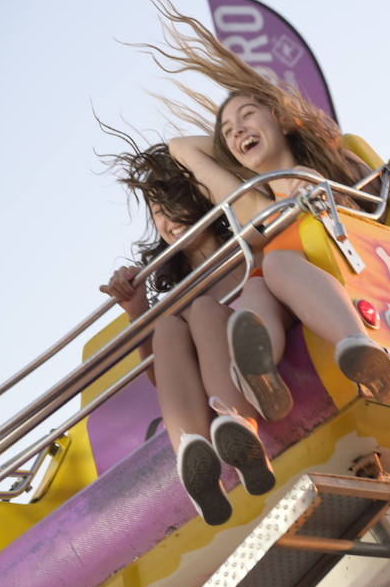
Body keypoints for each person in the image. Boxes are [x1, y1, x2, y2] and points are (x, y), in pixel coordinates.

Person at [137, 0, 390, 416]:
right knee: (264, 278)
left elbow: (374, 204)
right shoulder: (256, 202)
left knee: (275, 267)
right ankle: (257, 376)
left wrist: (289, 143)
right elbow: (181, 148)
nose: (238, 129)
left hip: (351, 266)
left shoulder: (331, 161)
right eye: (228, 130)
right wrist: (232, 146)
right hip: (289, 286)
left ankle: (358, 347)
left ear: (281, 118)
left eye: (248, 116)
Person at [99, 134, 274, 526]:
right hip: (205, 375)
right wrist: (138, 309)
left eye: (174, 201)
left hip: (257, 364)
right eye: (156, 210)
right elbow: (163, 377)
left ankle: (239, 426)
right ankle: (195, 456)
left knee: (204, 311)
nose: (167, 219)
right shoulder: (175, 301)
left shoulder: (250, 244)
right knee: (167, 329)